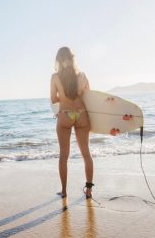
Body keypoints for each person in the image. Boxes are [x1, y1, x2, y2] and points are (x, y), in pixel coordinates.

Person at [50, 47, 93, 198]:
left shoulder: (55, 77)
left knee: (63, 155)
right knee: (86, 154)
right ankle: (89, 190)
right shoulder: (82, 76)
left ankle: (64, 191)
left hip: (65, 115)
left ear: (59, 60)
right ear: (73, 58)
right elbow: (89, 97)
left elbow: (53, 99)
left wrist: (63, 97)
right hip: (81, 115)